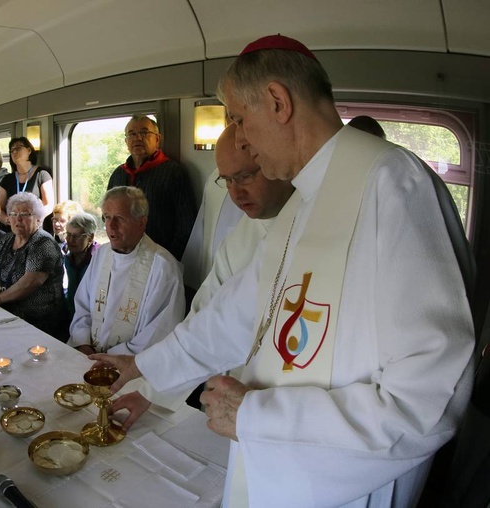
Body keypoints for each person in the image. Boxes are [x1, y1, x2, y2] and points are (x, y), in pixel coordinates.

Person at [92, 35, 474, 507]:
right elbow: (231, 315)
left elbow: (430, 397)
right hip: (271, 462)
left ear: (277, 101)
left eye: (236, 118)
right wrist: (142, 367)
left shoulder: (393, 182)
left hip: (344, 484)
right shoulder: (301, 204)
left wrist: (258, 417)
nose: (238, 138)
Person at [109, 123, 294, 427]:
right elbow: (205, 314)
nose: (235, 193)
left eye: (246, 176)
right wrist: (149, 390)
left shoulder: (305, 228)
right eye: (227, 180)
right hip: (230, 392)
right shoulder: (243, 232)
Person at [69, 186, 184, 355]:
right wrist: (83, 343)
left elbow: (160, 331)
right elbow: (83, 305)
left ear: (141, 223)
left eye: (119, 218)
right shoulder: (101, 254)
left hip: (132, 366)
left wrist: (111, 359)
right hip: (87, 354)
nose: (111, 226)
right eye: (107, 217)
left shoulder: (163, 267)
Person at [0, 192, 66, 339]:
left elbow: (30, 282)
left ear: (38, 219)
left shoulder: (43, 243)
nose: (18, 219)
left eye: (25, 214)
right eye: (14, 214)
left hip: (39, 324)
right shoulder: (7, 238)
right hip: (6, 314)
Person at [107, 115, 197, 261]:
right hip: (123, 258)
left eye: (144, 133)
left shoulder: (173, 172)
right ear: (126, 141)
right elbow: (107, 216)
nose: (138, 138)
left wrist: (168, 260)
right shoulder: (118, 175)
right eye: (132, 134)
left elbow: (186, 225)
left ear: (157, 139)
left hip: (161, 259)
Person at [0, 137, 54, 230]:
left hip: (34, 229)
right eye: (12, 150)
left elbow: (49, 205)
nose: (14, 152)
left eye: (18, 148)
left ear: (29, 150)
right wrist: (7, 220)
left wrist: (35, 219)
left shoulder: (42, 175)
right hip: (13, 229)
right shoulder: (7, 179)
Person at [63, 212, 99, 322]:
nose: (70, 240)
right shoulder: (68, 258)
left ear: (90, 237)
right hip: (71, 314)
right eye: (68, 234)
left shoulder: (98, 259)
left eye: (77, 236)